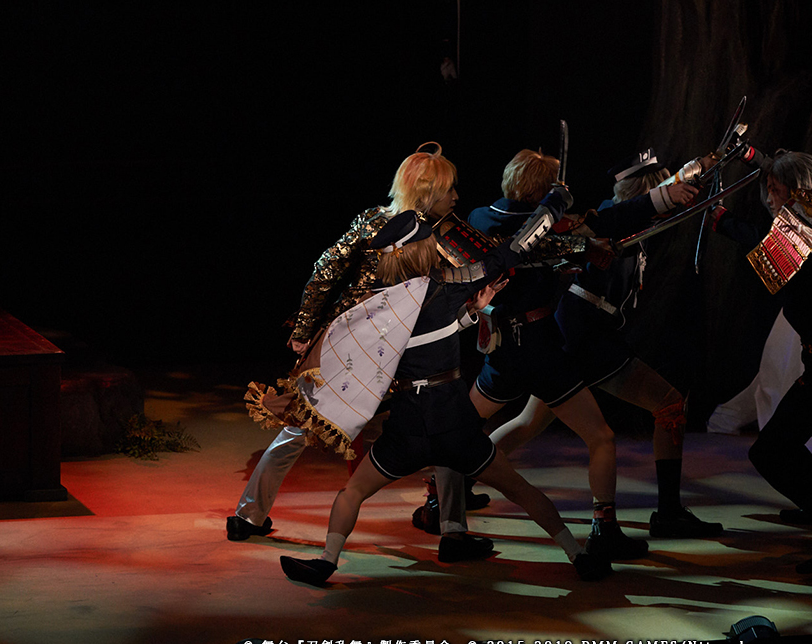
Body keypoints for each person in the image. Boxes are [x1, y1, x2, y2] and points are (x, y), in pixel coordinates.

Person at [278, 206, 613, 586]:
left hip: (407, 428)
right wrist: (552, 206)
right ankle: (578, 555)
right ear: (423, 250)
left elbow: (412, 339)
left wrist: (469, 314)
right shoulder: (449, 286)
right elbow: (512, 250)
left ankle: (326, 560)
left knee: (352, 491)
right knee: (520, 489)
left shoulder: (373, 303)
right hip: (454, 424)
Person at [427, 148, 700, 562]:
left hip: (505, 350)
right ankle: (603, 528)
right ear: (540, 191)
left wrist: (569, 252)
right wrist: (574, 238)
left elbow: (548, 245)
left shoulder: (481, 217)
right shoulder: (538, 227)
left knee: (462, 432)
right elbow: (566, 232)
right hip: (540, 350)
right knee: (600, 437)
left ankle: (445, 513)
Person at [487, 148, 724, 539]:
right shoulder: (611, 217)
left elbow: (658, 198)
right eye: (656, 188)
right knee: (668, 405)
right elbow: (640, 207)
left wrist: (704, 165)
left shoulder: (633, 218)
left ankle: (452, 487)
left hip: (580, 330)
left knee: (528, 423)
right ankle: (666, 512)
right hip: (586, 333)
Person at [234, 143, 461, 549]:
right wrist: (304, 327)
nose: (457, 197)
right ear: (428, 193)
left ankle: (247, 516)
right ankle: (453, 528)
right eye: (450, 189)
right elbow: (327, 271)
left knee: (300, 427)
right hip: (385, 347)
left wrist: (305, 327)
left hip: (363, 343)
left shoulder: (386, 222)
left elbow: (325, 271)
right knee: (443, 425)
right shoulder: (429, 233)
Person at [713, 150, 812, 573]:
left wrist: (720, 219)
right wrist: (754, 158)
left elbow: (765, 255)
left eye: (776, 190)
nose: (770, 199)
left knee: (771, 452)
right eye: (768, 190)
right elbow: (786, 178)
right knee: (786, 442)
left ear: (799, 191)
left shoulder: (809, 227)